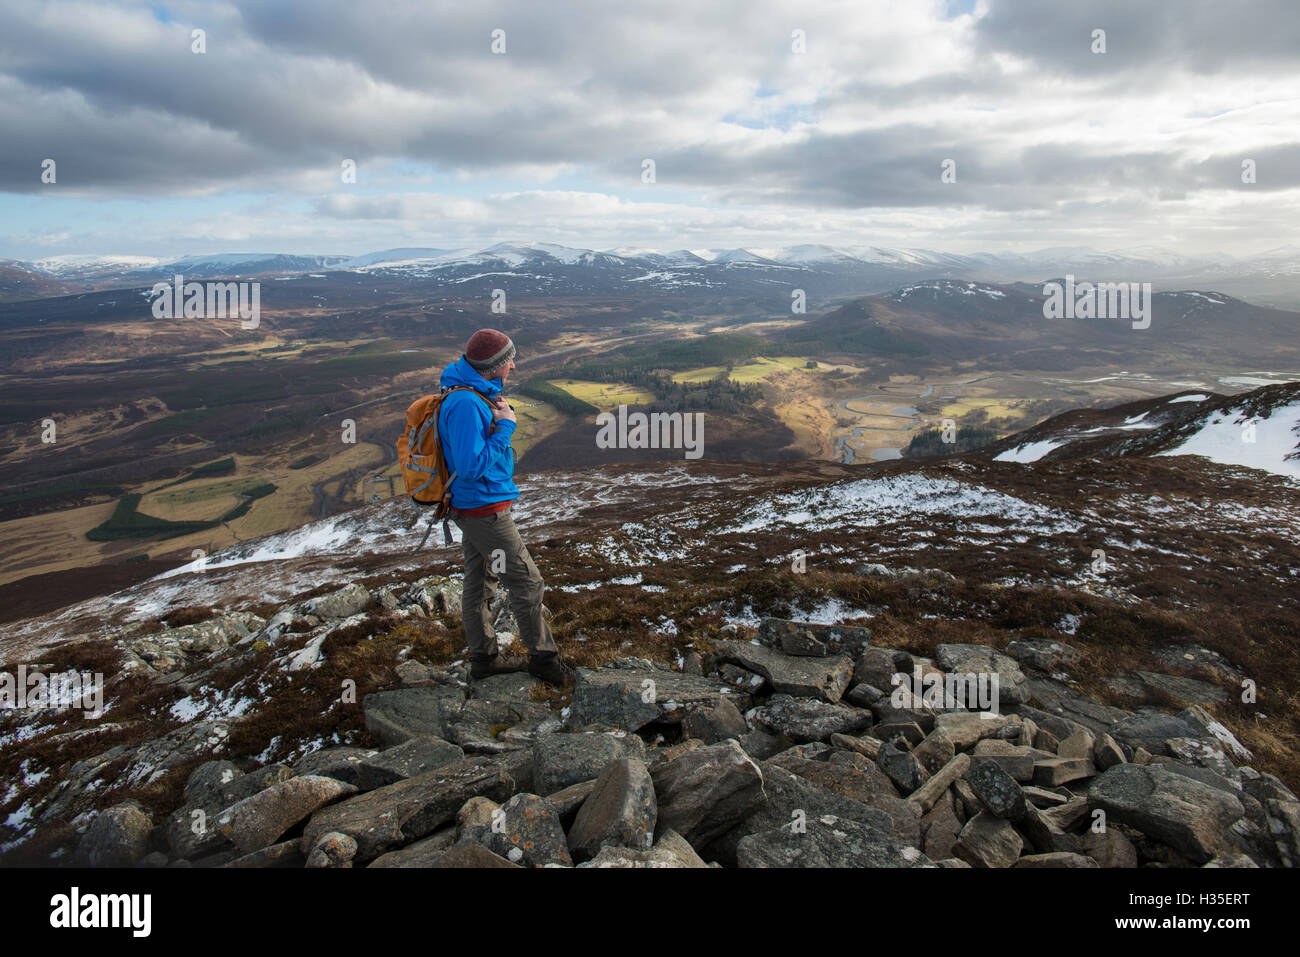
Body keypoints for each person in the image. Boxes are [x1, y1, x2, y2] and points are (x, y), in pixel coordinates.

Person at [437, 329, 575, 687]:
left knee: (480, 580)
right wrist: (506, 429)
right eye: (508, 360)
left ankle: (483, 660)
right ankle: (544, 660)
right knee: (526, 580)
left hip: (475, 506)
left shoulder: (472, 394)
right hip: (484, 510)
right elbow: (470, 465)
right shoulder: (466, 404)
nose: (513, 364)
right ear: (492, 366)